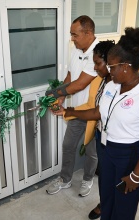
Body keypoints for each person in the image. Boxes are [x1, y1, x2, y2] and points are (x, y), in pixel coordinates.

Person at [63, 25, 139, 220]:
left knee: (124, 203)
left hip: (129, 153)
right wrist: (68, 111)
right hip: (106, 148)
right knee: (107, 195)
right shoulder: (111, 85)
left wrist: (136, 175)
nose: (108, 70)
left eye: (111, 66)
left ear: (125, 66)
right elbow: (97, 112)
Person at [56, 40, 115, 219]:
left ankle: (91, 185)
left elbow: (83, 89)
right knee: (105, 176)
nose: (95, 68)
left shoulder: (128, 82)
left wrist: (54, 94)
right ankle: (103, 204)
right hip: (97, 127)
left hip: (116, 139)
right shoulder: (102, 81)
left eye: (98, 63)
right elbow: (93, 106)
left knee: (110, 174)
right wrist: (68, 110)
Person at [46, 15, 99, 197]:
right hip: (75, 110)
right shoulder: (76, 49)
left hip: (93, 112)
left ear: (88, 33)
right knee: (68, 145)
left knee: (91, 151)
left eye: (75, 35)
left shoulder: (98, 54)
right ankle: (65, 179)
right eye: (71, 34)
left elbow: (80, 84)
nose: (72, 38)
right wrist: (61, 97)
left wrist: (54, 93)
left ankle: (87, 179)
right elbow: (70, 77)